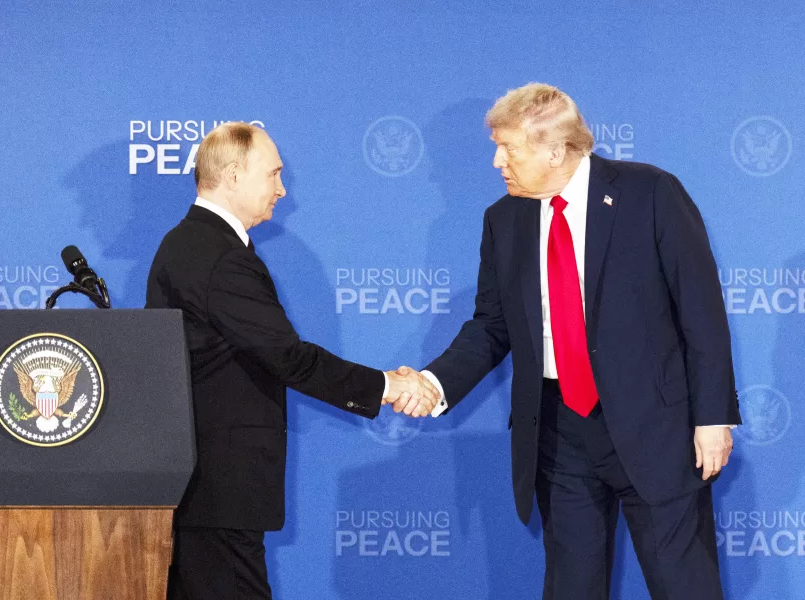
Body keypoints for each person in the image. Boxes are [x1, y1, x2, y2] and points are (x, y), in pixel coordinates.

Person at [396, 83, 741, 599]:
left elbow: (702, 311)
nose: (496, 162)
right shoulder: (504, 220)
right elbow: (491, 327)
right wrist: (432, 381)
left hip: (656, 430)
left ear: (555, 151)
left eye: (508, 148)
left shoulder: (649, 193)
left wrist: (712, 417)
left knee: (684, 587)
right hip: (559, 435)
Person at [146, 122, 438, 600]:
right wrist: (386, 385)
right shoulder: (217, 255)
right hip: (220, 486)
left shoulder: (196, 244)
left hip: (207, 485)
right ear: (235, 175)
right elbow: (285, 355)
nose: (282, 190)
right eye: (274, 175)